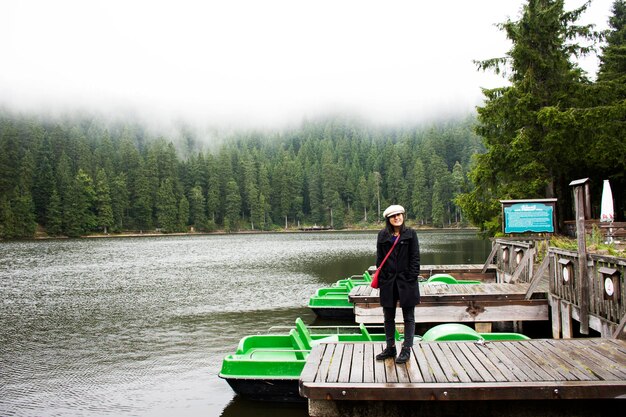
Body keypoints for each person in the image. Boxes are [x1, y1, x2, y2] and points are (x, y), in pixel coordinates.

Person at [374, 204, 420, 364]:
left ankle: (406, 349)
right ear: (388, 219)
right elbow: (379, 259)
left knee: (409, 317)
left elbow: (415, 258)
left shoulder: (411, 234)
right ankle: (390, 347)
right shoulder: (382, 236)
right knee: (388, 317)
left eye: (399, 215)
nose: (397, 217)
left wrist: (411, 276)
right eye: (393, 216)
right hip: (388, 282)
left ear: (403, 216)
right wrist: (384, 278)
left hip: (406, 281)